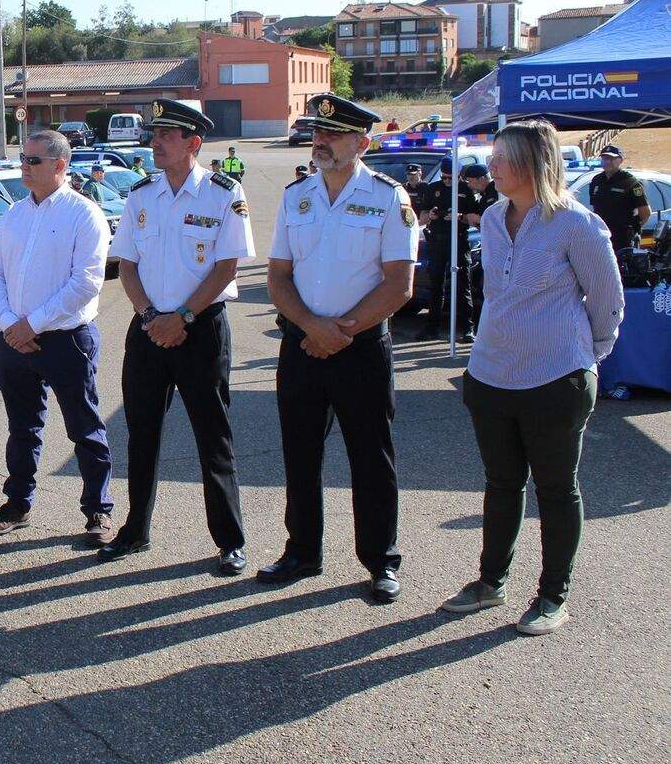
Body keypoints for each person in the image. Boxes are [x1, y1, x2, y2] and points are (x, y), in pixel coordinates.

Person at [442, 120, 623, 636]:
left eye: (501, 158)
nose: (490, 167)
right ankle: (490, 582)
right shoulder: (495, 218)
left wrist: (586, 359)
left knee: (556, 490)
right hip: (492, 376)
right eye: (492, 157)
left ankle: (551, 596)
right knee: (501, 483)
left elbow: (608, 304)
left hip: (555, 379)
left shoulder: (577, 224)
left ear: (532, 164)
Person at [259, 93, 418, 604]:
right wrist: (311, 327)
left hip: (360, 348)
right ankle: (302, 550)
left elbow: (399, 285)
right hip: (302, 344)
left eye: (333, 134)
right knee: (300, 455)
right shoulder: (295, 196)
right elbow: (279, 277)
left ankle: (381, 561)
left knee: (370, 457)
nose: (320, 140)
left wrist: (340, 330)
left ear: (362, 143)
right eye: (317, 132)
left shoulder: (389, 197)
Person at [99, 99, 254, 573]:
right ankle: (135, 530)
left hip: (201, 328)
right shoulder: (142, 195)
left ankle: (229, 540)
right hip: (147, 328)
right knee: (141, 433)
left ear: (193, 143)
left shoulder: (223, 193)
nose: (155, 142)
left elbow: (227, 266)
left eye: (166, 135)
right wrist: (150, 315)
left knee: (213, 436)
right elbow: (126, 264)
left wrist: (182, 316)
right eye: (154, 133)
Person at [0, 129, 114, 545]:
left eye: (33, 160)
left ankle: (97, 510)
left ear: (60, 165)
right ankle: (17, 504)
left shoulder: (83, 214)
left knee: (84, 427)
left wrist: (32, 324)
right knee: (22, 428)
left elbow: (86, 282)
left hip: (65, 338)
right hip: (13, 340)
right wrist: (8, 324)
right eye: (23, 158)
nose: (24, 165)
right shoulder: (15, 213)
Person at [421, 158, 474, 341]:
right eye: (444, 178)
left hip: (458, 240)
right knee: (435, 285)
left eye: (450, 178)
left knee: (462, 285)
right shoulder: (432, 188)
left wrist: (459, 217)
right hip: (437, 241)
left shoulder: (467, 190)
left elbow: (475, 218)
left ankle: (467, 328)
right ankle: (431, 327)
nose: (447, 181)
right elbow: (421, 217)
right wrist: (431, 215)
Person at [588, 145, 651, 254]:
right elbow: (596, 207)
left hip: (623, 239)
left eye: (611, 158)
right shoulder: (596, 180)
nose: (607, 161)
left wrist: (634, 230)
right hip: (601, 235)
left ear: (620, 160)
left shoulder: (630, 181)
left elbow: (645, 212)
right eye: (604, 158)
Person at [460, 163, 498, 331]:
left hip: (498, 248)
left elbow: (494, 220)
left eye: (470, 181)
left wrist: (476, 217)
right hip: (489, 245)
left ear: (481, 179)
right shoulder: (483, 195)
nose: (469, 185)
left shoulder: (494, 192)